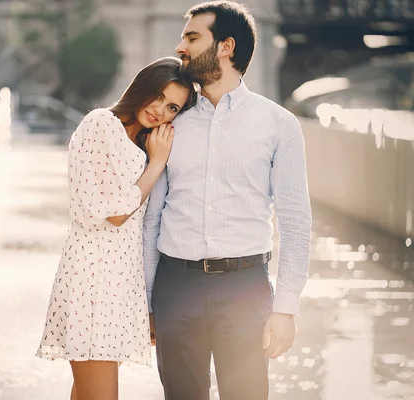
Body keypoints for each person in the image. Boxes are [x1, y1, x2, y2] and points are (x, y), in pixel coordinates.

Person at [143, 2, 312, 400]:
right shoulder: (171, 123)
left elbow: (295, 221)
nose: (180, 47)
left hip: (245, 289)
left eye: (191, 37)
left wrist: (286, 308)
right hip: (175, 286)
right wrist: (150, 301)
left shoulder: (278, 125)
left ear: (225, 46)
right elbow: (152, 219)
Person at [36, 56, 197, 400]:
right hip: (92, 279)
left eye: (172, 108)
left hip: (120, 282)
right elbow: (115, 214)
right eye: (158, 96)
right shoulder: (101, 123)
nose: (160, 110)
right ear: (142, 88)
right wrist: (156, 163)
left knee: (86, 393)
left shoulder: (140, 140)